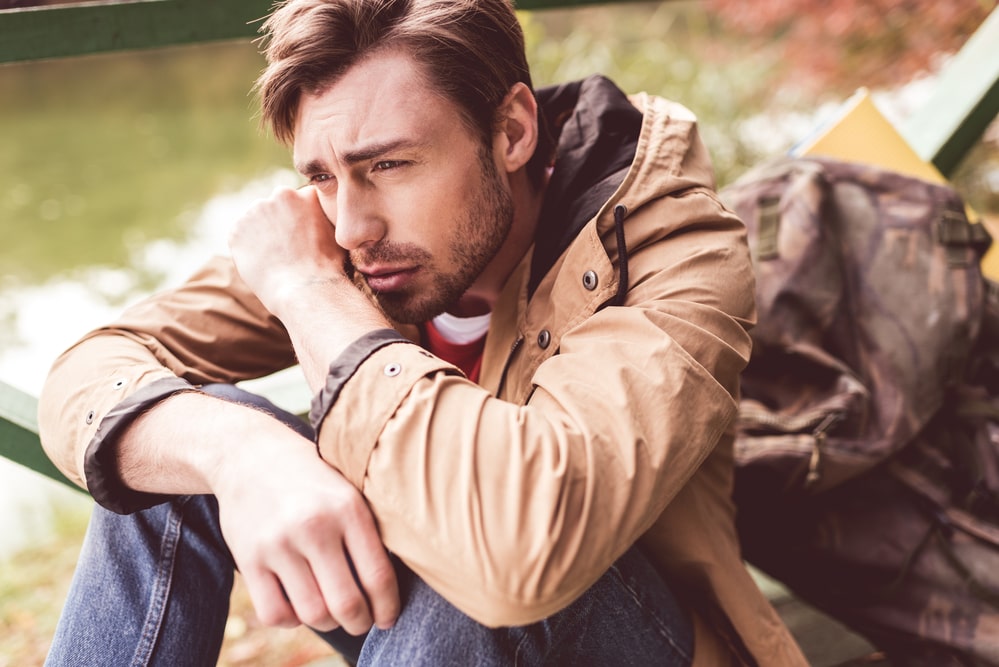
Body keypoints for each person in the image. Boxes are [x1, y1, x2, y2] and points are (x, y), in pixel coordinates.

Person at [38, 0, 807, 664]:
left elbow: (517, 548)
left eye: (389, 166)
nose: (351, 226)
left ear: (511, 131)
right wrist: (243, 454)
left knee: (469, 553)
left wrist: (310, 292)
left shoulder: (676, 248)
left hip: (629, 631)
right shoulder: (348, 238)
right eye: (321, 175)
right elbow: (90, 372)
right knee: (182, 442)